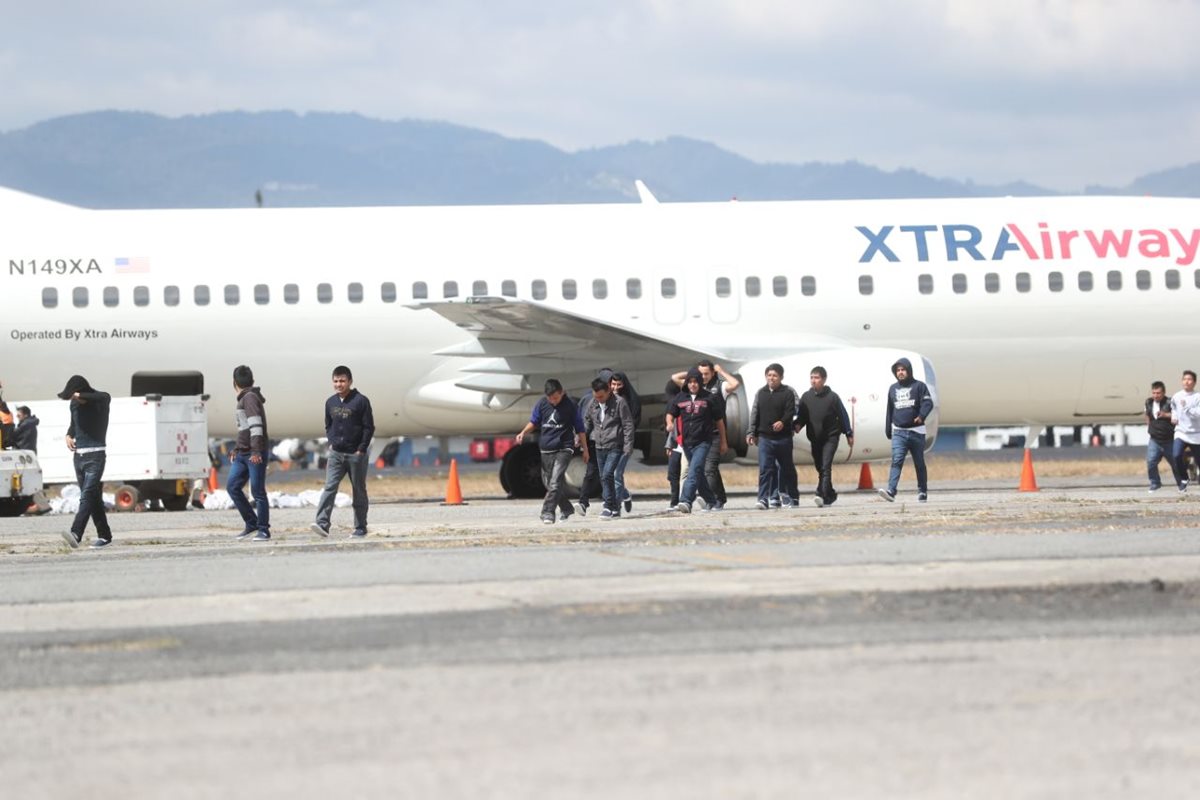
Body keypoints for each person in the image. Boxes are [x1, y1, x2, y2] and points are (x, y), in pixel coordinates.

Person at [311, 366, 375, 538]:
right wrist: (332, 442)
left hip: (356, 455)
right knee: (329, 488)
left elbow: (369, 427)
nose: (339, 384)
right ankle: (322, 524)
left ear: (350, 381)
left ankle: (360, 527)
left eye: (342, 381)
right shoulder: (330, 402)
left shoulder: (361, 401)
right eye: (336, 381)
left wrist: (361, 449)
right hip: (336, 455)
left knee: (359, 490)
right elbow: (328, 425)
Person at [516, 378, 588, 524]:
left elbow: (580, 428)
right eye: (550, 398)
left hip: (564, 447)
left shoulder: (571, 405)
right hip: (546, 448)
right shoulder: (542, 404)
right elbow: (534, 421)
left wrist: (585, 449)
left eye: (555, 398)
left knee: (555, 481)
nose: (553, 401)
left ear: (562, 393)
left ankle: (547, 512)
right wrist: (523, 432)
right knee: (549, 483)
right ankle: (567, 508)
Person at [670, 360, 739, 509]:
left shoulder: (718, 387)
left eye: (706, 373)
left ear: (712, 373)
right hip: (691, 438)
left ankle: (687, 500)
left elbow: (735, 384)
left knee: (706, 469)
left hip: (711, 435)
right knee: (698, 470)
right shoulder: (691, 388)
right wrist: (693, 373)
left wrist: (721, 371)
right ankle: (712, 499)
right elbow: (675, 377)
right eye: (700, 374)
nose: (703, 376)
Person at [58, 375, 113, 549]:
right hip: (79, 457)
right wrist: (68, 435)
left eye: (77, 396)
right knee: (93, 498)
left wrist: (81, 395)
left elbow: (104, 396)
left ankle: (76, 533)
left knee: (87, 495)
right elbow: (73, 424)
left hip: (95, 456)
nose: (76, 401)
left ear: (83, 392)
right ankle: (105, 536)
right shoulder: (73, 404)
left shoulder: (100, 401)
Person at [795, 366, 854, 508]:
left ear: (824, 380)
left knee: (826, 466)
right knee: (820, 466)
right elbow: (802, 416)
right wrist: (796, 426)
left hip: (831, 437)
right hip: (815, 438)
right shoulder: (806, 397)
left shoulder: (832, 397)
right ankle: (830, 494)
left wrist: (848, 433)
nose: (813, 380)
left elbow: (843, 415)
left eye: (816, 378)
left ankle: (820, 493)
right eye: (811, 377)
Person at [879, 357, 934, 503]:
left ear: (909, 371)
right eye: (898, 370)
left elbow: (928, 403)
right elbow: (889, 410)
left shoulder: (919, 386)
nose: (900, 372)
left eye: (903, 370)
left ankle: (922, 491)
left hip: (917, 432)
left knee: (919, 463)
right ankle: (891, 491)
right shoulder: (893, 388)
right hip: (899, 432)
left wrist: (921, 416)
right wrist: (888, 429)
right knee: (896, 461)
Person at [746, 363, 799, 509]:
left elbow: (791, 411)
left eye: (775, 375)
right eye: (769, 375)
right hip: (765, 438)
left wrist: (783, 422)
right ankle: (763, 498)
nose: (771, 378)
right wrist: (752, 432)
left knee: (786, 468)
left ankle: (793, 496)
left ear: (781, 377)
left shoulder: (787, 392)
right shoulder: (761, 393)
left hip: (783, 438)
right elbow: (755, 413)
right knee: (765, 469)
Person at [228, 365, 271, 540]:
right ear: (251, 380)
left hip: (254, 453)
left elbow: (256, 427)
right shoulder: (245, 398)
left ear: (234, 382)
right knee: (232, 487)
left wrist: (255, 451)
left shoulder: (250, 398)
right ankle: (251, 523)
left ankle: (263, 530)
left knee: (258, 492)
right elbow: (244, 429)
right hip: (243, 453)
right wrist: (237, 449)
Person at [583, 376, 634, 519]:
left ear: (608, 391)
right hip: (599, 445)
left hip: (615, 445)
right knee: (605, 477)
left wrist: (628, 446)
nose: (598, 399)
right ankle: (615, 507)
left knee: (607, 475)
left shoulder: (619, 403)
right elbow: (587, 421)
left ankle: (607, 506)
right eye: (596, 396)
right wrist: (580, 437)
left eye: (601, 396)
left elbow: (628, 425)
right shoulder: (593, 403)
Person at [575, 368, 613, 516]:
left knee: (609, 474)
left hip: (611, 443)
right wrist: (579, 437)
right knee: (591, 473)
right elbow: (583, 420)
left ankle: (611, 503)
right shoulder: (589, 399)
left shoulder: (617, 400)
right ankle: (583, 503)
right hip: (593, 441)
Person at [609, 371, 641, 513]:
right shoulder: (607, 399)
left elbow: (633, 423)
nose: (616, 387)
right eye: (613, 384)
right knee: (609, 474)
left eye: (619, 384)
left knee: (616, 473)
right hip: (609, 442)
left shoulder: (631, 400)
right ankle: (625, 494)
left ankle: (616, 507)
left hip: (624, 443)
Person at [1170, 370, 1200, 493]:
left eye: (1189, 379)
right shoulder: (1176, 396)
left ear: (1194, 382)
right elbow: (1174, 409)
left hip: (1196, 434)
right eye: (1184, 379)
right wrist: (1174, 417)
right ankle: (1183, 478)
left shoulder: (1198, 397)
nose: (1186, 382)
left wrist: (1188, 409)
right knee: (1176, 455)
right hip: (1181, 432)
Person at [1145, 381, 1174, 493]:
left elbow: (1178, 415)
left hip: (1169, 439)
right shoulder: (1148, 402)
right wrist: (1149, 427)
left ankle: (1182, 482)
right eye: (1154, 393)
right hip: (1155, 439)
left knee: (1175, 463)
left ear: (1163, 393)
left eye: (1158, 393)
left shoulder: (1170, 402)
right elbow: (1147, 414)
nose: (1156, 395)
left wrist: (1166, 415)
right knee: (1151, 462)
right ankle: (1155, 482)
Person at [663, 378, 685, 509]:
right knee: (673, 475)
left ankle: (684, 500)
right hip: (676, 444)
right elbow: (671, 428)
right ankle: (675, 502)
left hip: (688, 443)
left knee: (686, 474)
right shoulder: (674, 405)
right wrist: (669, 445)